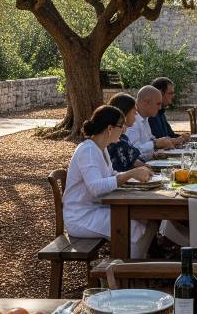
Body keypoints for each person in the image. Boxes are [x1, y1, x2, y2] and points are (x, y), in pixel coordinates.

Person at [63, 106, 158, 258]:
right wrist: (130, 174)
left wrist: (134, 175)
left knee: (146, 219)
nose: (124, 130)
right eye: (121, 125)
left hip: (96, 208)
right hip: (81, 216)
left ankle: (137, 264)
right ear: (109, 128)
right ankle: (127, 269)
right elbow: (96, 187)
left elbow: (110, 174)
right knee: (133, 227)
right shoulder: (88, 150)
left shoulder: (101, 148)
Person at [126, 85, 176, 159]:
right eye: (158, 104)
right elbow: (133, 152)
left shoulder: (145, 118)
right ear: (146, 102)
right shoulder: (132, 121)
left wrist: (165, 144)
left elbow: (149, 140)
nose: (160, 108)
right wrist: (155, 143)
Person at [107, 93, 146, 172]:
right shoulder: (116, 141)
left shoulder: (122, 136)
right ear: (125, 113)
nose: (136, 114)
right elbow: (133, 162)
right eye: (134, 111)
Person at [148, 77, 189, 143]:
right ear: (160, 93)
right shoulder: (150, 114)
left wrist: (182, 137)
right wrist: (178, 139)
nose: (173, 96)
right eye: (170, 93)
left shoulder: (161, 112)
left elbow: (170, 135)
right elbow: (160, 141)